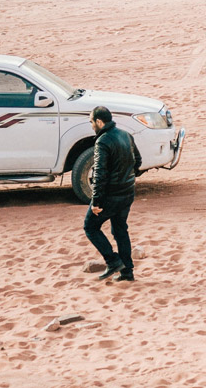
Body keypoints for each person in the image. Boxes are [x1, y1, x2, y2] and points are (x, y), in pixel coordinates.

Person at [83, 106, 142, 283]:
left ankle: (113, 261)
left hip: (111, 196)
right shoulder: (125, 135)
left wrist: (96, 202)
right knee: (120, 230)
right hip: (127, 193)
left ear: (99, 122)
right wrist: (129, 177)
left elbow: (99, 174)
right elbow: (137, 161)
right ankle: (127, 272)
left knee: (90, 227)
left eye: (91, 122)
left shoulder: (102, 141)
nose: (91, 125)